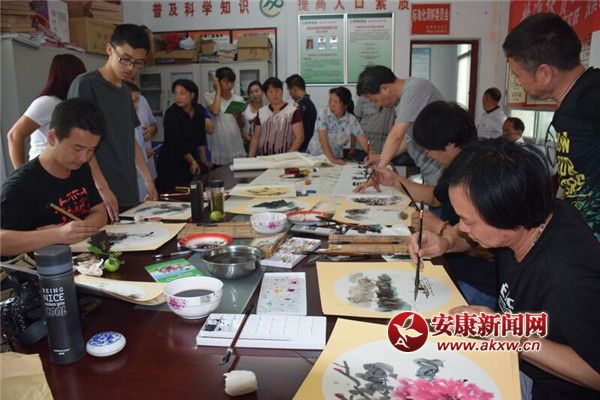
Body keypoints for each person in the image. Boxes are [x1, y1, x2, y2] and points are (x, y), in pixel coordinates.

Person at [410, 139, 600, 399]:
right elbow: (475, 237)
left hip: (539, 386)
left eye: (467, 221)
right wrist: (447, 241)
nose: (461, 227)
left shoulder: (567, 279)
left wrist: (507, 334)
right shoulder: (533, 215)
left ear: (505, 215)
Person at [358, 101, 497, 307]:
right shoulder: (459, 164)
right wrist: (394, 180)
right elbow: (435, 197)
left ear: (450, 144)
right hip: (450, 263)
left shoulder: (481, 173)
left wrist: (440, 227)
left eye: (429, 149)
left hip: (475, 281)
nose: (428, 155)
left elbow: (492, 244)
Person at [503, 12, 600, 240]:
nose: (518, 82)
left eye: (518, 74)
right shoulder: (574, 102)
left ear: (545, 74)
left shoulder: (590, 99)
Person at [68, 23, 157, 221]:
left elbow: (129, 139)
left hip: (127, 189)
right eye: (125, 59)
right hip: (98, 195)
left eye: (138, 63)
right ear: (109, 49)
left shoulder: (125, 92)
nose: (130, 68)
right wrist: (102, 187)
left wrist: (147, 178)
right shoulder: (86, 85)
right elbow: (80, 145)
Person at [0, 98, 107, 256]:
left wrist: (78, 230)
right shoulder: (21, 185)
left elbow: (100, 212)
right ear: (52, 138)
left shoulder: (80, 168)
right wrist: (56, 235)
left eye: (91, 150)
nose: (84, 158)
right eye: (77, 148)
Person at [356, 65, 444, 185]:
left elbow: (396, 136)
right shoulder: (401, 102)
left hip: (441, 168)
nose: (378, 105)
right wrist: (381, 157)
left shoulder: (415, 89)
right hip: (429, 169)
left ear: (384, 88)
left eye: (374, 100)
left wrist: (378, 171)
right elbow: (406, 140)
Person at [7, 54, 86, 169]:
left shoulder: (70, 105)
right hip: (42, 168)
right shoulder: (47, 102)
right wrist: (21, 174)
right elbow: (14, 135)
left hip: (62, 169)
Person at [156, 79, 213, 193]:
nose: (178, 97)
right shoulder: (171, 114)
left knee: (194, 191)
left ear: (192, 95)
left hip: (191, 158)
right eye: (176, 94)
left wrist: (204, 161)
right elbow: (177, 142)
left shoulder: (199, 110)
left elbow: (200, 137)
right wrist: (192, 161)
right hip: (172, 160)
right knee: (174, 194)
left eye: (182, 93)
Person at [306, 87, 366, 165]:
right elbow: (323, 139)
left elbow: (362, 138)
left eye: (335, 102)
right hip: (316, 157)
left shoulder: (351, 119)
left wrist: (371, 153)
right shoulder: (323, 114)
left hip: (336, 158)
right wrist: (333, 159)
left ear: (345, 106)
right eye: (330, 100)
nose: (332, 105)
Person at [248, 77, 304, 157]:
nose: (275, 94)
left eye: (277, 90)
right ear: (266, 94)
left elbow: (300, 137)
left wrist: (287, 156)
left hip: (284, 158)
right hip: (263, 158)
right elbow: (255, 138)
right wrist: (250, 158)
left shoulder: (292, 111)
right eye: (271, 92)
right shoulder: (261, 112)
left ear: (282, 91)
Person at [204, 67, 246, 167]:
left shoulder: (238, 99)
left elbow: (241, 124)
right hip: (219, 143)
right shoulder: (209, 97)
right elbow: (215, 111)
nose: (229, 85)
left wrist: (239, 114)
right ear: (218, 81)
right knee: (219, 174)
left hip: (235, 142)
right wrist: (218, 90)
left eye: (231, 82)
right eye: (226, 82)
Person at [285, 74, 317, 152]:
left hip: (301, 147)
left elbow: (290, 126)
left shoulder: (299, 105)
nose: (290, 94)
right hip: (307, 145)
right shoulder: (309, 103)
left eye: (289, 91)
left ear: (295, 89)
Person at [241, 80, 264, 146]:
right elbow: (239, 126)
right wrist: (249, 138)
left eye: (257, 91)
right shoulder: (244, 108)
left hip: (262, 144)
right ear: (249, 95)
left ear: (262, 92)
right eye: (251, 92)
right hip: (247, 143)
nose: (254, 94)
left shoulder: (267, 109)